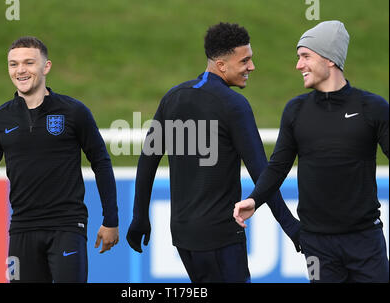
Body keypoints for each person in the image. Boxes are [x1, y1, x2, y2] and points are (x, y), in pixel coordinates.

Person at [126, 22, 301, 283]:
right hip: (221, 237)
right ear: (221, 65)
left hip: (184, 239)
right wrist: (292, 227)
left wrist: (140, 217)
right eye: (245, 61)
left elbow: (147, 161)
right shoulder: (233, 105)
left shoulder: (172, 98)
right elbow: (262, 173)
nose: (251, 67)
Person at [0, 36, 119, 283]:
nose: (20, 70)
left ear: (46, 66)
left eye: (28, 62)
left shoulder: (74, 112)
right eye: (13, 64)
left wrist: (110, 219)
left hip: (67, 227)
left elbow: (101, 162)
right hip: (22, 230)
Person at [233, 20, 389, 283]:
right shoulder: (295, 110)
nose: (298, 65)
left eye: (306, 56)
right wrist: (254, 199)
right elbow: (279, 166)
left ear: (330, 59)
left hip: (366, 241)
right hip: (316, 246)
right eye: (298, 57)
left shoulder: (372, 107)